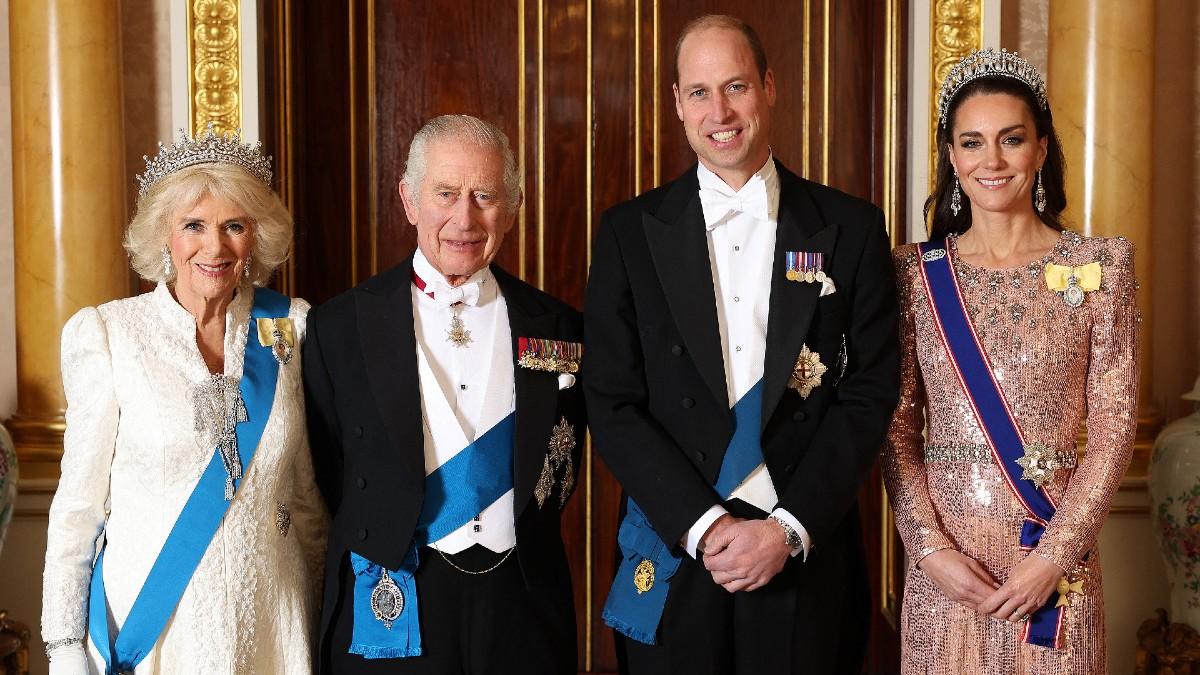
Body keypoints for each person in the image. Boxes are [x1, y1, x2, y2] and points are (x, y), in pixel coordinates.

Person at [585, 15, 900, 675]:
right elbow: (611, 399)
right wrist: (707, 526)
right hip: (676, 550)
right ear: (676, 102)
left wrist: (786, 528)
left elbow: (868, 394)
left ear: (770, 87)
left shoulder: (851, 227)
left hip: (802, 554)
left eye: (736, 86)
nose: (719, 111)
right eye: (699, 92)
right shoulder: (628, 233)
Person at [883, 48, 1138, 673]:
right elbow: (896, 434)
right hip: (949, 573)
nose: (991, 161)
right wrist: (928, 551)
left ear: (1042, 148)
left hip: (1054, 566)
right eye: (972, 143)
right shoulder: (914, 274)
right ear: (951, 157)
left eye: (1011, 139)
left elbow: (1114, 427)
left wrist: (1056, 556)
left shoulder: (1103, 266)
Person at [41, 125, 327, 674]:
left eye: (233, 226)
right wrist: (62, 646)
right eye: (193, 225)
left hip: (273, 622)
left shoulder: (291, 327)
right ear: (164, 237)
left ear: (256, 236)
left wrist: (323, 619)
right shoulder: (110, 335)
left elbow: (306, 496)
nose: (214, 247)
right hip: (156, 630)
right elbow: (77, 510)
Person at [304, 114, 584, 674]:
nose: (465, 218)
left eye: (484, 195)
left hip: (521, 607)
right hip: (394, 595)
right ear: (409, 201)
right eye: (446, 194)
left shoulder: (560, 327)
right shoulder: (340, 327)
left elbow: (560, 462)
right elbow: (328, 473)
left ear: (513, 204)